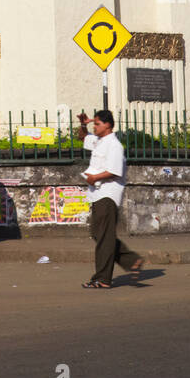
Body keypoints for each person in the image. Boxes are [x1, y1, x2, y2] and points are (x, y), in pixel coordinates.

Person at [81, 109, 143, 289]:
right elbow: (82, 137)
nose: (95, 126)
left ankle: (102, 278)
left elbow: (113, 171)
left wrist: (94, 178)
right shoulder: (99, 141)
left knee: (103, 238)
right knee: (98, 234)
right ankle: (132, 261)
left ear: (108, 125)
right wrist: (84, 123)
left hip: (107, 194)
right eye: (94, 123)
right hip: (97, 194)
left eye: (98, 124)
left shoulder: (114, 145)